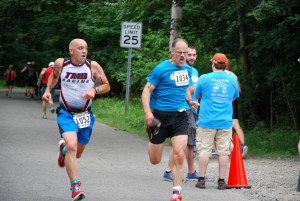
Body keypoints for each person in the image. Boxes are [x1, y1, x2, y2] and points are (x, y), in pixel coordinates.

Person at [42, 38, 110, 201]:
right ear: (71, 50)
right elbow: (54, 77)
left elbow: (107, 85)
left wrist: (95, 89)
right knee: (72, 146)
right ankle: (75, 187)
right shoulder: (61, 64)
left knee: (76, 153)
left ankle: (63, 150)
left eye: (86, 48)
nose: (84, 51)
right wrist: (48, 90)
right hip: (66, 112)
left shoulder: (92, 66)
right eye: (80, 48)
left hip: (85, 115)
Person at [141, 38, 198, 201]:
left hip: (181, 116)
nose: (182, 56)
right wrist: (148, 114)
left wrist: (189, 101)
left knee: (179, 154)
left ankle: (176, 193)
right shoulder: (160, 69)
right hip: (160, 117)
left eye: (185, 53)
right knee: (155, 160)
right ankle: (151, 140)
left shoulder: (188, 70)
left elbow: (184, 90)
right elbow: (146, 91)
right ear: (172, 52)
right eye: (179, 52)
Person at [194, 53, 239, 190]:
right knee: (224, 152)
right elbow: (234, 97)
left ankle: (201, 180)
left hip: (206, 121)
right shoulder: (232, 80)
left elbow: (197, 95)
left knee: (204, 150)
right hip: (225, 121)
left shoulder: (204, 78)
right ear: (225, 65)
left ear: (213, 63)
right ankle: (221, 181)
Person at [163, 46, 200, 182]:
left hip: (192, 109)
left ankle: (190, 171)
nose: (191, 57)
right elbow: (182, 90)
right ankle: (170, 170)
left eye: (193, 55)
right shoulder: (180, 70)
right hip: (183, 109)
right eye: (188, 54)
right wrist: (190, 99)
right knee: (183, 142)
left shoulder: (194, 71)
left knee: (188, 143)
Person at [224, 59, 248, 158]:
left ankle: (216, 148)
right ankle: (243, 146)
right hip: (232, 102)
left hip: (222, 103)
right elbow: (239, 90)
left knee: (219, 125)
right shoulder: (233, 75)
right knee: (236, 125)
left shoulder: (216, 75)